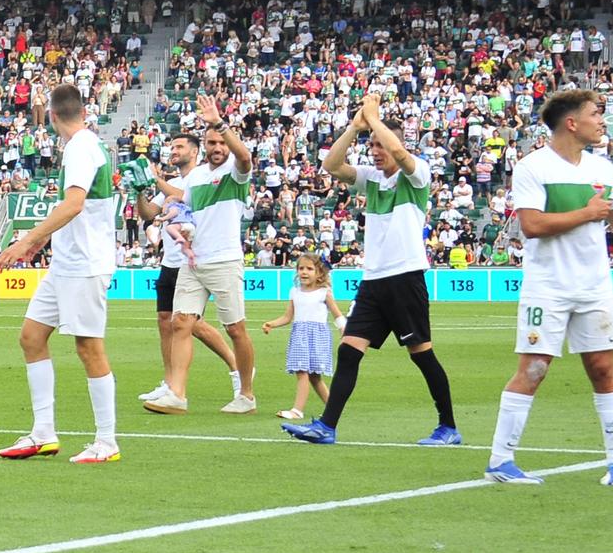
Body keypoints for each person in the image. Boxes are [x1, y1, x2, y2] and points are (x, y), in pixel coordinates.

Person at [484, 88, 613, 486]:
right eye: (596, 113)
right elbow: (532, 226)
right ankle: (500, 461)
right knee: (534, 368)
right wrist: (587, 212)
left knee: (603, 368)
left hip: (595, 286)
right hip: (548, 287)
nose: (602, 120)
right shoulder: (532, 167)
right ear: (572, 123)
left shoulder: (603, 169)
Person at [285, 92, 462, 446]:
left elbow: (400, 154)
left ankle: (448, 426)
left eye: (379, 145)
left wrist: (376, 118)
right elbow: (331, 166)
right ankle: (327, 426)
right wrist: (355, 126)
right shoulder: (371, 177)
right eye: (372, 147)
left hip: (405, 277)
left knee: (422, 354)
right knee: (349, 350)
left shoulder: (418, 174)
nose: (375, 152)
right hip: (374, 281)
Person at [0, 85, 122, 465]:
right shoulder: (85, 145)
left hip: (84, 265)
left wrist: (24, 242)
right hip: (66, 264)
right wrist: (40, 244)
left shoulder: (81, 147)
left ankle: (107, 440)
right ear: (82, 111)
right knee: (32, 337)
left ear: (50, 116)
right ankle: (43, 433)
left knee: (88, 347)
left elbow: (74, 204)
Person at [144, 96, 257, 415]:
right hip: (195, 261)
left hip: (224, 259)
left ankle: (246, 394)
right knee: (180, 322)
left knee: (236, 329)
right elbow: (183, 199)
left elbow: (245, 157)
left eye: (221, 141)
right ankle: (177, 393)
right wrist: (158, 189)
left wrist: (219, 122)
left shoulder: (237, 172)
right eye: (211, 142)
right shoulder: (196, 176)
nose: (217, 146)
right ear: (204, 147)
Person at [132, 137, 243, 407]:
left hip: (193, 261)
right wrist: (137, 190)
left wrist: (155, 177)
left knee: (192, 323)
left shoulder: (199, 178)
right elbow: (149, 213)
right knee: (166, 320)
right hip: (170, 260)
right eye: (172, 147)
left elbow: (182, 197)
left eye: (180, 147)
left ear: (195, 151)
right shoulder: (174, 181)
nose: (174, 151)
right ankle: (171, 384)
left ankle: (236, 367)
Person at [259, 254, 345, 422]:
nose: (304, 272)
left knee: (310, 375)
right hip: (300, 336)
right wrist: (272, 324)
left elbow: (337, 315)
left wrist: (345, 331)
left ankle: (298, 410)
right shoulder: (295, 292)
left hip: (317, 337)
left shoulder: (324, 293)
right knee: (306, 373)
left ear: (319, 273)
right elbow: (287, 317)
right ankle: (332, 409)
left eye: (309, 269)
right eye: (301, 268)